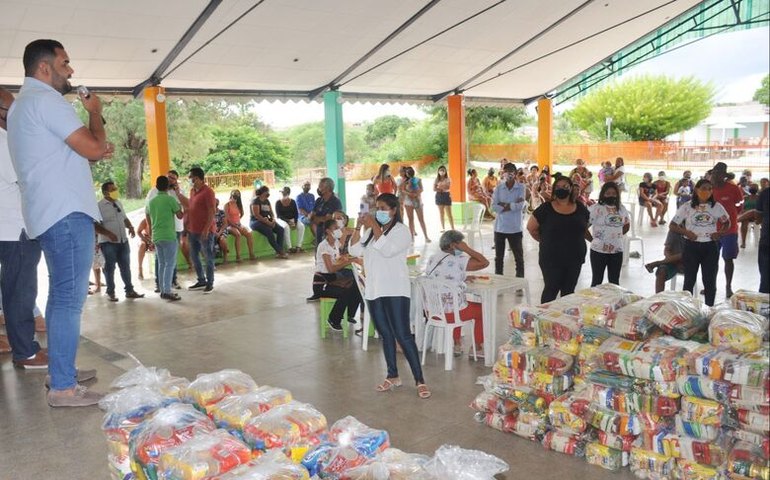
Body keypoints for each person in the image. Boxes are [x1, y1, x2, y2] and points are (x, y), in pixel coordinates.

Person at [7, 39, 114, 406]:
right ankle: (64, 388)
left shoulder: (24, 105)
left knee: (59, 298)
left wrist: (92, 142)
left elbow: (85, 150)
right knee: (69, 300)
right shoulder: (47, 102)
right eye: (65, 63)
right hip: (65, 213)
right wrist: (95, 114)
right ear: (44, 68)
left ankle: (60, 371)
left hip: (49, 212)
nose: (71, 70)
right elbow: (96, 149)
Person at [349, 193, 430, 399]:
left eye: (383, 208)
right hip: (375, 290)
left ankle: (419, 380)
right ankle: (392, 375)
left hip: (395, 289)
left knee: (402, 335)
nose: (379, 212)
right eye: (377, 208)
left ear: (394, 210)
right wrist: (359, 226)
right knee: (385, 334)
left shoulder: (402, 232)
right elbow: (354, 249)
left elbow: (386, 250)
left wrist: (374, 226)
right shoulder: (369, 231)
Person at [0, 87, 49, 369]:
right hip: (14, 228)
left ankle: (24, 347)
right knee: (20, 291)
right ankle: (26, 352)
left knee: (17, 289)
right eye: (10, 109)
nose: (16, 114)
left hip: (13, 227)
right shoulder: (4, 141)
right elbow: (26, 178)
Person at [425, 230, 489, 357]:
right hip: (451, 314)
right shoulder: (459, 260)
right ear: (454, 245)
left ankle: (457, 344)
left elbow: (442, 275)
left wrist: (463, 277)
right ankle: (477, 347)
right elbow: (484, 262)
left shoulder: (433, 258)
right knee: (481, 309)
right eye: (461, 243)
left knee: (457, 302)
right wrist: (467, 249)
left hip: (432, 312)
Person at [527, 176, 590, 303]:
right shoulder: (546, 208)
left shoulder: (581, 208)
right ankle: (545, 320)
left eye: (565, 187)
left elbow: (584, 227)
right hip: (551, 258)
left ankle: (565, 320)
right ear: (554, 189)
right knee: (551, 289)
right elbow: (531, 228)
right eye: (559, 187)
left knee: (569, 292)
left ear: (571, 189)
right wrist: (545, 240)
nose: (562, 189)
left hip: (575, 257)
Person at [670, 179, 730, 306]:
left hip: (710, 246)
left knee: (709, 280)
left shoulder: (716, 207)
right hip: (692, 247)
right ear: (696, 190)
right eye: (703, 188)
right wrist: (686, 232)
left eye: (709, 189)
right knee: (689, 280)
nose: (707, 191)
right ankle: (688, 308)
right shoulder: (687, 207)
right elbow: (673, 225)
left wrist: (719, 233)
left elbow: (727, 222)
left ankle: (709, 308)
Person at [97, 181, 144, 302]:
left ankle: (129, 290)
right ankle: (111, 292)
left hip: (123, 241)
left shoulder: (118, 203)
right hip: (108, 243)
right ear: (105, 192)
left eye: (115, 188)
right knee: (109, 268)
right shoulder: (99, 206)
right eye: (112, 189)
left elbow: (124, 217)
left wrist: (131, 227)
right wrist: (108, 234)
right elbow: (95, 225)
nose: (115, 191)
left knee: (125, 267)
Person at [315, 219, 362, 331]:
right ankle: (333, 318)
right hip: (322, 283)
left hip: (332, 279)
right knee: (346, 291)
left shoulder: (335, 243)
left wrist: (342, 258)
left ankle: (350, 314)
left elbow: (336, 258)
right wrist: (350, 261)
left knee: (357, 285)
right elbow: (330, 269)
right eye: (335, 228)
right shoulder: (324, 246)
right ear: (327, 231)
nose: (338, 230)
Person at [145, 169, 187, 291]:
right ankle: (163, 286)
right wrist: (149, 229)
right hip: (166, 233)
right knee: (165, 261)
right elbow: (180, 213)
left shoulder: (177, 192)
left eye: (173, 178)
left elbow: (186, 206)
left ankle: (171, 282)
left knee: (169, 260)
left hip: (174, 229)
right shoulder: (155, 193)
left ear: (176, 180)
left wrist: (178, 193)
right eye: (169, 177)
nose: (170, 180)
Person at [711, 162, 744, 298]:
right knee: (711, 260)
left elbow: (740, 205)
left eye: (718, 173)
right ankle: (711, 285)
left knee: (728, 259)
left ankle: (728, 286)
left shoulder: (733, 188)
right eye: (714, 173)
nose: (715, 176)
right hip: (711, 231)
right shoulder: (708, 189)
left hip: (730, 231)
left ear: (724, 175)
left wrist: (732, 216)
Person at [586, 182, 630, 286]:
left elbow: (626, 225)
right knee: (597, 281)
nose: (611, 195)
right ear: (603, 194)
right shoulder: (595, 208)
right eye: (608, 193)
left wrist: (616, 235)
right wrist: (593, 240)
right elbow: (584, 227)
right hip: (598, 251)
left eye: (614, 193)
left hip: (617, 250)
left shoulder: (622, 209)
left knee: (614, 282)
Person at [185, 167, 217, 293]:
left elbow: (211, 211)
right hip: (193, 230)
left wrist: (206, 229)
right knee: (194, 255)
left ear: (197, 178)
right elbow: (190, 207)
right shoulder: (193, 191)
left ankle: (210, 282)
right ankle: (201, 280)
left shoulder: (208, 192)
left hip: (205, 231)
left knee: (208, 257)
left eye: (191, 177)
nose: (190, 180)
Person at [491, 163, 526, 277]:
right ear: (503, 173)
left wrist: (504, 205)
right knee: (498, 258)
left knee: (519, 258)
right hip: (500, 228)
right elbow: (494, 207)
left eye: (511, 171)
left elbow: (520, 206)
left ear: (515, 173)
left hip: (515, 228)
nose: (509, 173)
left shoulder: (521, 187)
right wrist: (512, 205)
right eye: (506, 171)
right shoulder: (499, 188)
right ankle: (498, 279)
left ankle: (520, 281)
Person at [737, 184, 769, 293]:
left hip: (767, 239)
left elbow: (758, 216)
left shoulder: (765, 193)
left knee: (766, 278)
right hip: (766, 240)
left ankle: (765, 305)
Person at [249, 186, 288, 259]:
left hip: (267, 220)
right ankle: (280, 251)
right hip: (256, 222)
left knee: (280, 230)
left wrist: (273, 220)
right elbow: (257, 215)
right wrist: (268, 223)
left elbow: (271, 212)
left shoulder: (267, 201)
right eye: (267, 192)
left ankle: (278, 252)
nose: (268, 193)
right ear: (263, 192)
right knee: (269, 231)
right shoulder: (255, 201)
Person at [308, 177, 343, 246]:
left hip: (330, 236)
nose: (319, 188)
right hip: (319, 233)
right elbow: (311, 217)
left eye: (321, 186)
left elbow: (333, 219)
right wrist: (322, 218)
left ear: (328, 188)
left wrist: (317, 218)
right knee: (318, 253)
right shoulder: (318, 200)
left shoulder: (336, 202)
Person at [223, 189, 255, 261]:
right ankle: (238, 256)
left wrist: (238, 221)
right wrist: (236, 226)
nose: (235, 196)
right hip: (229, 225)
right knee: (238, 234)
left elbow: (242, 213)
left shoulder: (239, 204)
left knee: (249, 233)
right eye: (234, 195)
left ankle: (251, 253)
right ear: (231, 195)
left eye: (237, 195)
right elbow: (227, 219)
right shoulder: (227, 205)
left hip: (238, 224)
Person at [403, 166, 431, 242]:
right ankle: (411, 238)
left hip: (417, 200)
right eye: (407, 172)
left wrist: (416, 194)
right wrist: (409, 193)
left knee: (421, 219)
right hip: (408, 202)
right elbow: (402, 190)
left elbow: (422, 189)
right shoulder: (405, 181)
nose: (408, 174)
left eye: (410, 172)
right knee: (410, 220)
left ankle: (426, 236)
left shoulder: (418, 180)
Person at [275, 186, 305, 253]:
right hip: (282, 220)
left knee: (301, 226)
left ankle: (298, 246)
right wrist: (288, 221)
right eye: (282, 193)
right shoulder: (278, 202)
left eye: (284, 193)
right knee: (286, 227)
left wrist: (295, 221)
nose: (283, 194)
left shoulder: (293, 202)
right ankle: (289, 248)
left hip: (292, 219)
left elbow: (296, 213)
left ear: (288, 193)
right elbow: (278, 215)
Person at [433, 165, 454, 231]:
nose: (442, 172)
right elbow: (434, 188)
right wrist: (440, 189)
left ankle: (452, 228)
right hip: (439, 196)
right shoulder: (436, 179)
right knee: (441, 213)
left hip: (446, 195)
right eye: (440, 170)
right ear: (438, 171)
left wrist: (439, 188)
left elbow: (447, 187)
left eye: (443, 170)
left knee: (449, 213)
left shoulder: (448, 179)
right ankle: (443, 228)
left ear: (445, 171)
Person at [740, 185, 760, 249]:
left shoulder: (759, 198)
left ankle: (737, 220)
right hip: (746, 215)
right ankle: (743, 243)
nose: (752, 189)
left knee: (747, 217)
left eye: (754, 188)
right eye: (751, 188)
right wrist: (744, 211)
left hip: (756, 215)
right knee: (744, 222)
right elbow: (742, 208)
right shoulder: (746, 197)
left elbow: (761, 208)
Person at [213, 198, 229, 263]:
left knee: (222, 239)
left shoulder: (221, 212)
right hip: (212, 231)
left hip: (221, 230)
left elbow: (225, 224)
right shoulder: (208, 213)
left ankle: (225, 256)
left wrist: (219, 233)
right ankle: (212, 260)